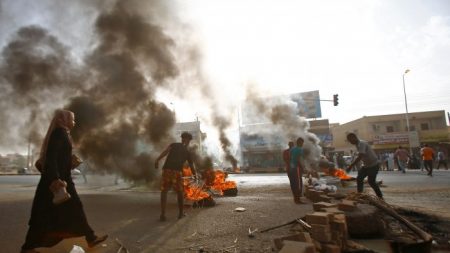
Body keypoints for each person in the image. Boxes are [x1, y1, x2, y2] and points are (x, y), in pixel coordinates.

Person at [21, 109, 107, 253]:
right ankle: (27, 248)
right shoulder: (59, 134)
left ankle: (91, 237)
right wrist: (55, 179)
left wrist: (70, 162)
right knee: (44, 215)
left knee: (51, 213)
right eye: (72, 119)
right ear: (63, 120)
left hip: (61, 180)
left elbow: (58, 158)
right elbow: (51, 159)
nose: (74, 122)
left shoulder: (63, 134)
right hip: (57, 182)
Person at [155, 132, 196, 221]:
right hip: (177, 172)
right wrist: (195, 175)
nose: (187, 141)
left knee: (164, 191)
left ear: (182, 138)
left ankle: (163, 214)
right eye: (188, 140)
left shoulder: (174, 145)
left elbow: (165, 152)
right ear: (188, 140)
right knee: (180, 192)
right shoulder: (187, 152)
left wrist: (157, 160)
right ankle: (180, 214)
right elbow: (192, 166)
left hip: (167, 170)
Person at [345, 133, 383, 199]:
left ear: (354, 137)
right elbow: (360, 156)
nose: (350, 142)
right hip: (366, 165)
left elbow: (360, 156)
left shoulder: (362, 143)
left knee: (371, 181)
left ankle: (380, 196)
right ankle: (360, 195)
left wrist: (351, 166)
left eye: (350, 140)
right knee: (359, 179)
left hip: (373, 165)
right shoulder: (357, 145)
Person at [289, 137, 305, 204]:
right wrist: (302, 167)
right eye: (302, 143)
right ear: (300, 142)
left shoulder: (292, 149)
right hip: (297, 168)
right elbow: (299, 159)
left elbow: (290, 157)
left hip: (291, 168)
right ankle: (298, 200)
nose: (302, 144)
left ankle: (295, 199)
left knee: (294, 184)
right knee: (298, 184)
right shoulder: (300, 149)